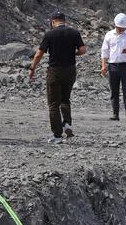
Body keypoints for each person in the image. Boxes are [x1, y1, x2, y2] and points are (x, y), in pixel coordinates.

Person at [29, 11, 86, 144]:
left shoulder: (50, 34)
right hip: (70, 70)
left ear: (53, 21)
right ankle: (66, 123)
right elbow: (83, 50)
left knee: (53, 104)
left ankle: (57, 135)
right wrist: (73, 53)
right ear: (64, 21)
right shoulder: (74, 33)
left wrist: (32, 68)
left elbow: (39, 54)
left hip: (55, 71)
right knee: (65, 99)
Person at [101, 13, 126, 123]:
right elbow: (104, 51)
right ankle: (115, 114)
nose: (121, 30)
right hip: (113, 66)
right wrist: (104, 65)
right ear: (116, 26)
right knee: (114, 91)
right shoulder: (109, 35)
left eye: (123, 28)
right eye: (120, 28)